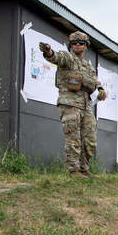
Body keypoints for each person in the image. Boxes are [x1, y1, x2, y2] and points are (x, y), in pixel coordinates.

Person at [40, 31, 106, 178]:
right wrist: (48, 52)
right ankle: (73, 170)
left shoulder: (88, 66)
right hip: (70, 104)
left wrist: (100, 89)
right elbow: (57, 57)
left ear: (85, 46)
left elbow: (95, 81)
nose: (77, 45)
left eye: (80, 43)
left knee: (90, 140)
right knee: (73, 138)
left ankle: (84, 168)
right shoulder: (68, 58)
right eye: (74, 43)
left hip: (86, 105)